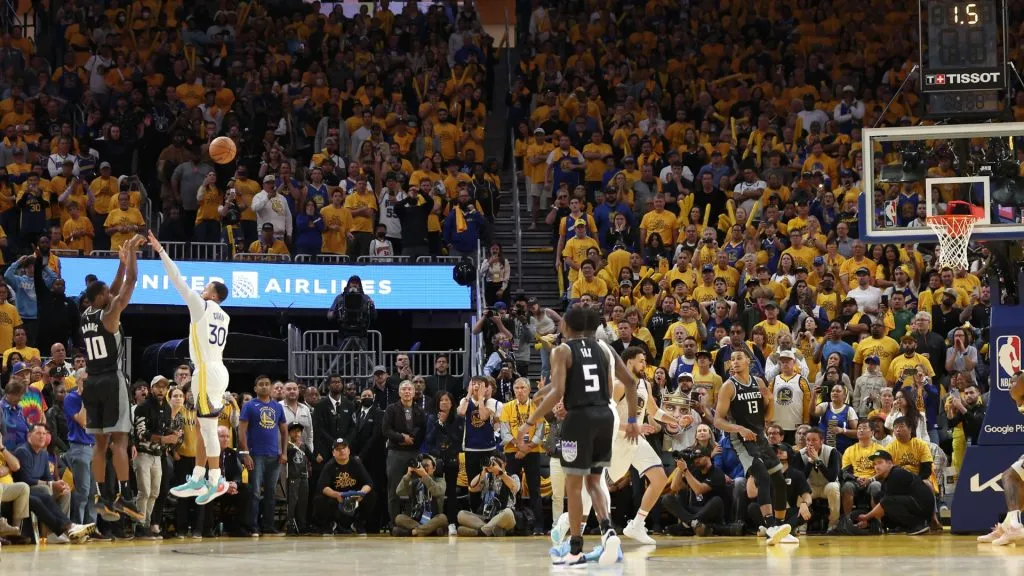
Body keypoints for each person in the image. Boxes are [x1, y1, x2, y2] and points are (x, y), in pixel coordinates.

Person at [521, 305, 641, 566]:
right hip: (606, 417)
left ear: (565, 326)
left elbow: (559, 391)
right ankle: (608, 531)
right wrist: (632, 420)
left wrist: (529, 421)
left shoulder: (562, 350)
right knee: (595, 481)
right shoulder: (604, 348)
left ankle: (575, 549)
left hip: (579, 419)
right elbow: (631, 383)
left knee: (573, 488)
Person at [149, 231, 233, 506]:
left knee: (207, 430)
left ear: (213, 294)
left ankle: (216, 479)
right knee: (201, 426)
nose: (202, 289)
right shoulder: (225, 316)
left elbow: (178, 282)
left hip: (208, 371)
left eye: (206, 287)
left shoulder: (203, 306)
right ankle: (200, 476)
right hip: (215, 369)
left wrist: (161, 251)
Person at [79, 234, 145, 522]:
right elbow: (130, 284)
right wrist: (132, 255)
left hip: (91, 383)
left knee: (99, 445)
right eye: (108, 293)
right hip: (110, 379)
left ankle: (98, 495)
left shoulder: (86, 314)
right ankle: (124, 494)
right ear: (102, 298)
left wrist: (119, 265)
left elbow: (114, 286)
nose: (112, 294)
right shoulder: (111, 314)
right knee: (120, 441)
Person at [713, 348, 793, 545]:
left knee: (779, 481)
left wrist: (771, 399)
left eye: (739, 358)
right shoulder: (728, 387)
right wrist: (738, 428)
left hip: (760, 437)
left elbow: (768, 417)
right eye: (732, 359)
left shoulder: (758, 383)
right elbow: (717, 421)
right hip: (741, 440)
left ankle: (780, 527)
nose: (735, 362)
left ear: (749, 361)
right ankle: (770, 524)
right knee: (762, 477)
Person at [609, 346, 677, 545]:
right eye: (641, 360)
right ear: (629, 362)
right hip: (616, 440)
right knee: (597, 489)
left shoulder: (645, 385)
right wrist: (631, 427)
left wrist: (674, 420)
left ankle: (637, 524)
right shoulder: (618, 384)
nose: (644, 364)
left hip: (636, 440)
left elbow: (654, 410)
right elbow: (605, 416)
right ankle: (567, 523)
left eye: (645, 360)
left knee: (659, 478)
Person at [978, 371, 1024, 545]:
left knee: (1009, 476)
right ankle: (1007, 526)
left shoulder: (1021, 382)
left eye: (1012, 383)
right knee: (1019, 482)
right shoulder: (1020, 403)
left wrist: (1018, 379)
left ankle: (1014, 526)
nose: (1010, 387)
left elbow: (1021, 379)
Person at [856, 450, 932, 534]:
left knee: (886, 501)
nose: (877, 467)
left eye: (880, 462)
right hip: (914, 505)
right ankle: (901, 526)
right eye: (874, 464)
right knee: (878, 496)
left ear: (889, 463)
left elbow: (884, 503)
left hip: (922, 509)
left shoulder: (897, 473)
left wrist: (866, 517)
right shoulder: (887, 478)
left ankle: (918, 525)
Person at [315, 438, 373, 535]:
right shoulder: (329, 466)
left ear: (349, 450)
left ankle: (358, 524)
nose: (341, 451)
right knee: (319, 499)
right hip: (336, 499)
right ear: (333, 453)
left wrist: (361, 493)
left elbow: (369, 483)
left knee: (372, 496)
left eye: (344, 448)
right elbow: (323, 487)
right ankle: (329, 524)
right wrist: (337, 495)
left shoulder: (356, 463)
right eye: (338, 449)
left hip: (354, 498)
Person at [392, 453, 448, 536]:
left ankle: (412, 532)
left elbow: (438, 492)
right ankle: (429, 531)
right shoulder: (416, 482)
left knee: (443, 518)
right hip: (417, 519)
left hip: (434, 518)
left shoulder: (439, 480)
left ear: (434, 468)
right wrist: (408, 475)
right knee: (399, 518)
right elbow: (400, 492)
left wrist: (425, 476)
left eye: (427, 465)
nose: (424, 468)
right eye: (422, 465)